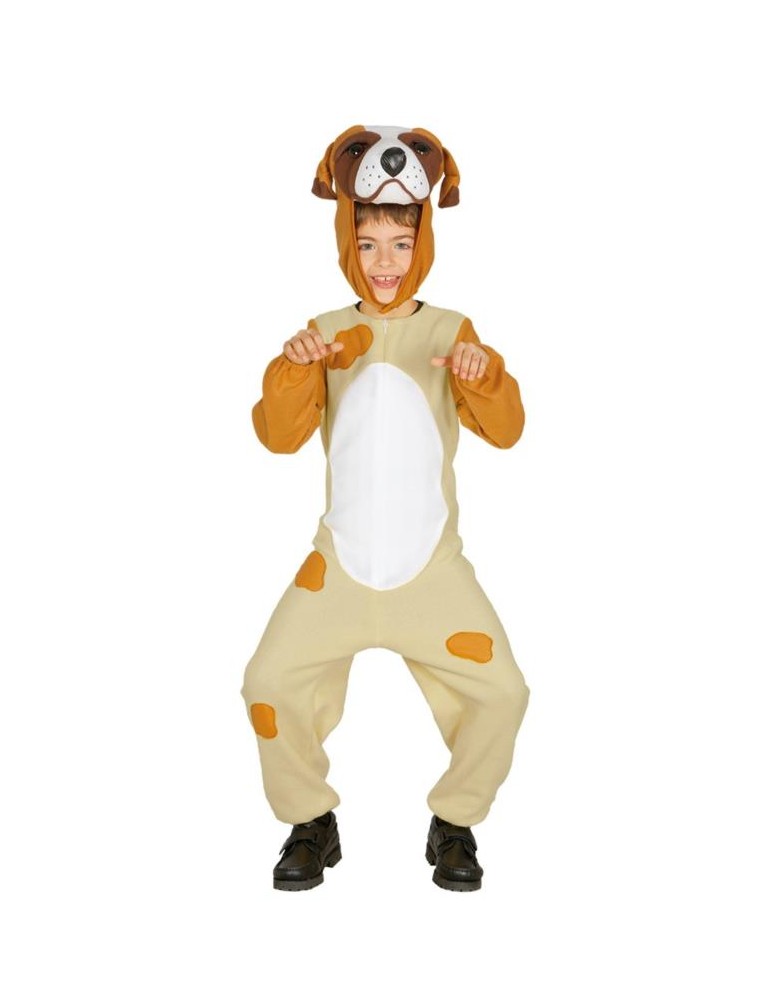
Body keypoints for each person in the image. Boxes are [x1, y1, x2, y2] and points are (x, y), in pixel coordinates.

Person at [242, 125, 530, 892]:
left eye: (400, 245)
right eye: (367, 245)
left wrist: (481, 373)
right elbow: (277, 437)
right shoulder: (325, 336)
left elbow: (506, 431)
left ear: (423, 242)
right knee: (267, 681)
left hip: (431, 573)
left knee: (504, 692)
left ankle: (454, 821)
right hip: (335, 572)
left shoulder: (449, 330)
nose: (384, 263)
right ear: (345, 242)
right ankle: (310, 821)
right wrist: (292, 370)